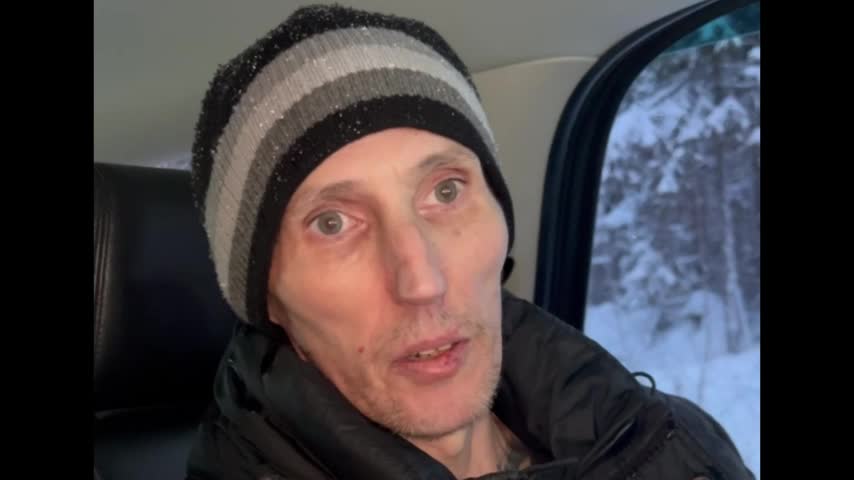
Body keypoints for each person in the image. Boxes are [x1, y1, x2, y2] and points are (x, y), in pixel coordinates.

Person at [186, 4, 754, 479]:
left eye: (447, 190)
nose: (422, 281)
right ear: (266, 298)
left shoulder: (671, 441)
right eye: (332, 223)